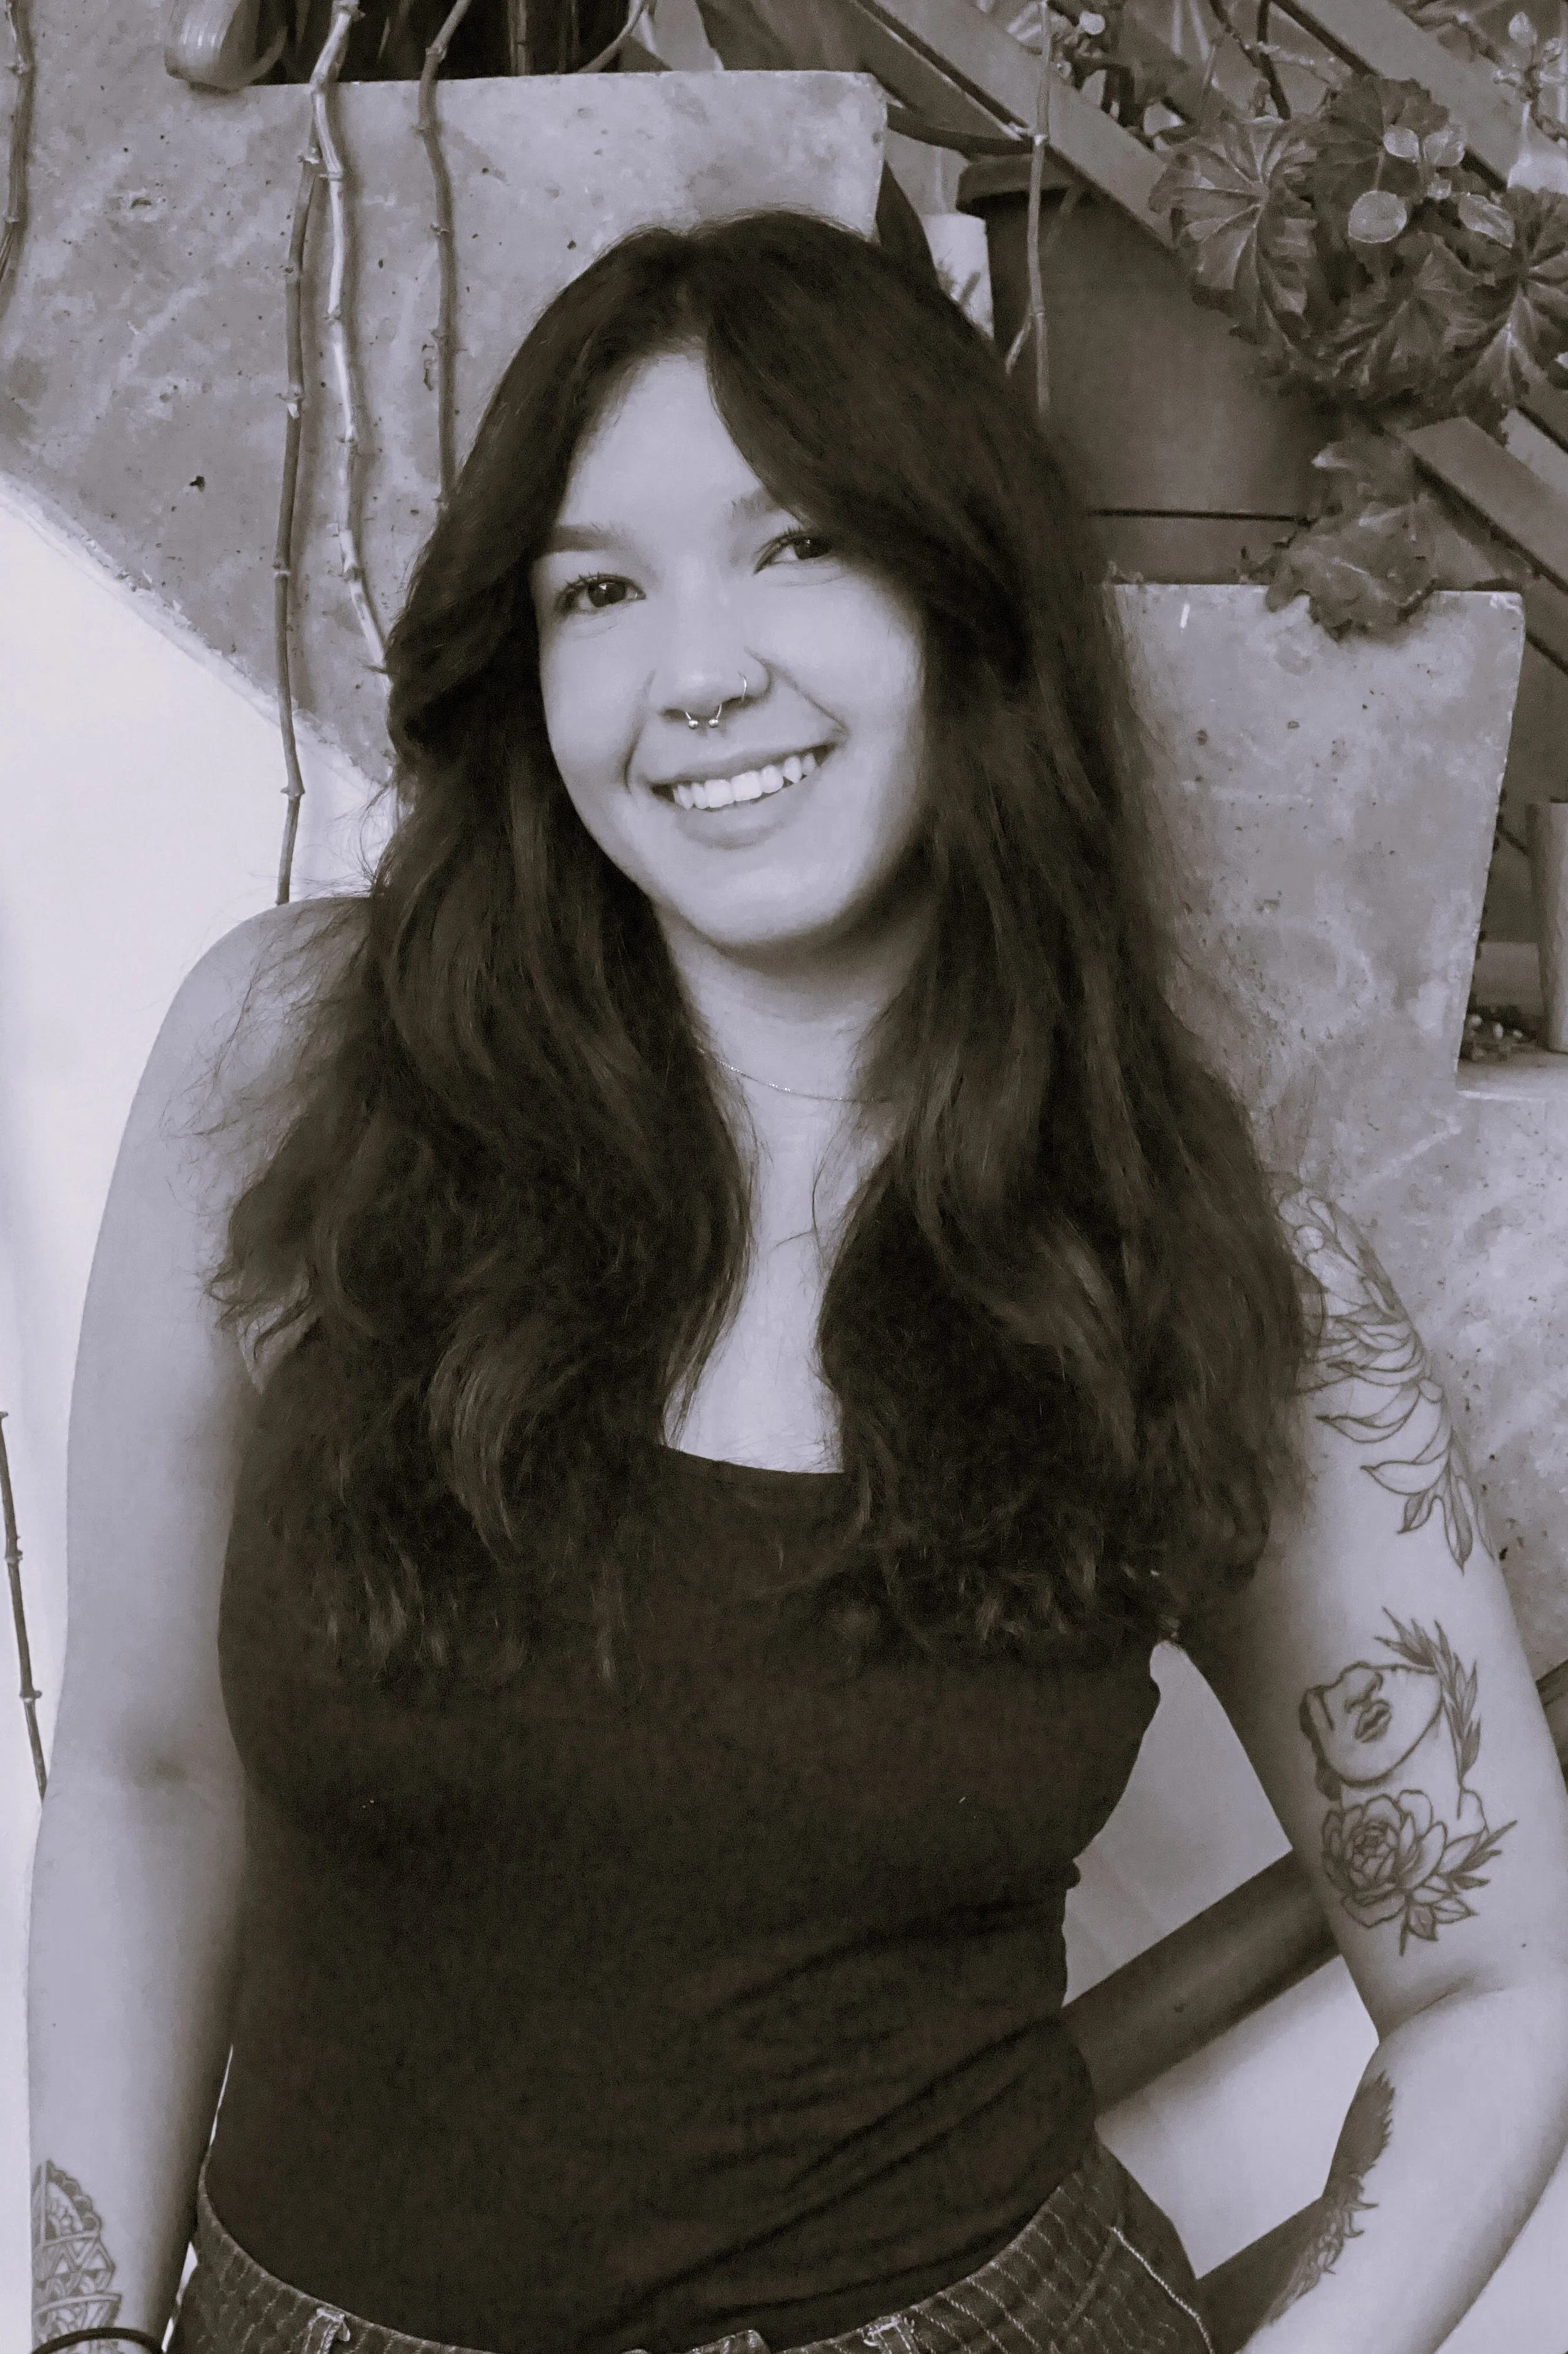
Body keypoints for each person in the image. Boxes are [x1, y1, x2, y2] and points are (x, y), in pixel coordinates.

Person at [27, 209, 1568, 2354]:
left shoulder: (1184, 1260)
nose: (697, 672)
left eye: (796, 548)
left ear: (963, 603)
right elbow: (140, 1769)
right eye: (597, 589)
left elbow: (1496, 1975)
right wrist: (89, 2332)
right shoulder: (294, 1071)